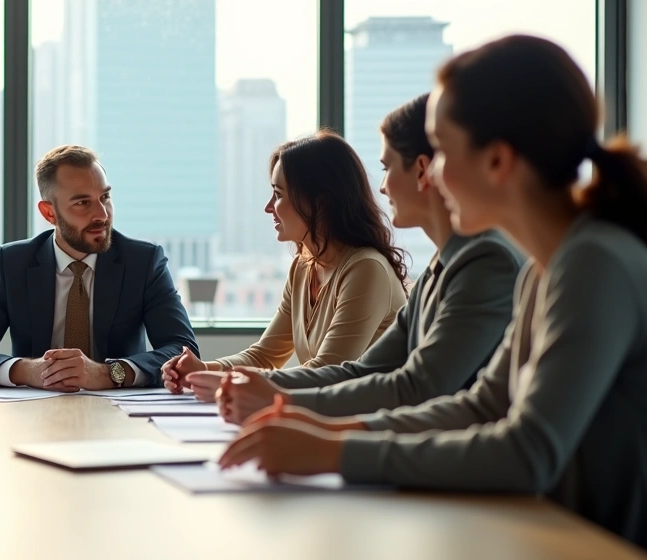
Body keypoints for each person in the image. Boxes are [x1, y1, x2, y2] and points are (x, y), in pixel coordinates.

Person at [217, 35, 647, 548]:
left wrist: (333, 452)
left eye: (440, 150)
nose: (432, 173)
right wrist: (328, 435)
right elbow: (482, 404)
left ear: (497, 161)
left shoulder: (591, 262)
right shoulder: (545, 268)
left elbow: (528, 450)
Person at [184, 95, 522, 418]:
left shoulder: (480, 262)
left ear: (422, 170)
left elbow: (414, 387)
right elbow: (365, 372)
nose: (383, 187)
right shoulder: (438, 268)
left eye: (387, 168)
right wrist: (225, 377)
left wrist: (281, 405)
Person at [163, 132, 408, 395]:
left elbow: (328, 371)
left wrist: (229, 384)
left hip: (369, 424)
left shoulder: (366, 269)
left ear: (320, 202)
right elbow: (264, 355)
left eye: (278, 195)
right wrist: (202, 370)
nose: (269, 207)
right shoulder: (303, 267)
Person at [0, 145, 198, 389]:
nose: (102, 214)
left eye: (105, 197)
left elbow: (183, 349)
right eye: (82, 203)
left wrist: (108, 374)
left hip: (120, 409)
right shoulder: (14, 263)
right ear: (49, 213)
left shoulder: (143, 262)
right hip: (33, 409)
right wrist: (29, 371)